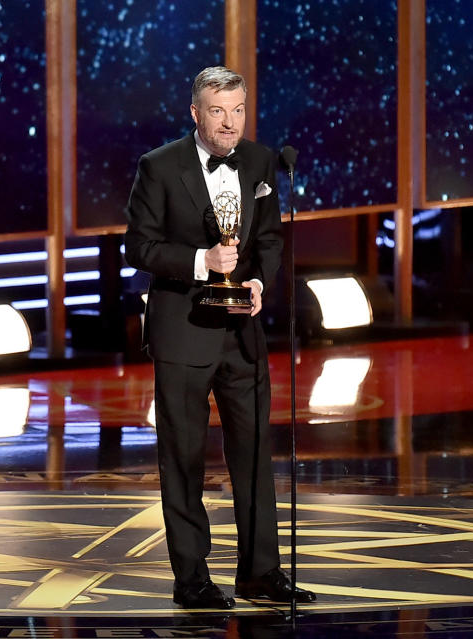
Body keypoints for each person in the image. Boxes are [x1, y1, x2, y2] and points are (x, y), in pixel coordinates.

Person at [124, 66, 316, 609]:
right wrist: (200, 261)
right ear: (195, 113)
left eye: (237, 111)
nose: (229, 123)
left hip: (243, 333)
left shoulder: (259, 162)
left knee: (255, 454)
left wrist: (258, 279)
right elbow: (137, 248)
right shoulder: (158, 167)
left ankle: (260, 574)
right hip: (183, 333)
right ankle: (192, 580)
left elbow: (271, 238)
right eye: (217, 111)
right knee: (183, 459)